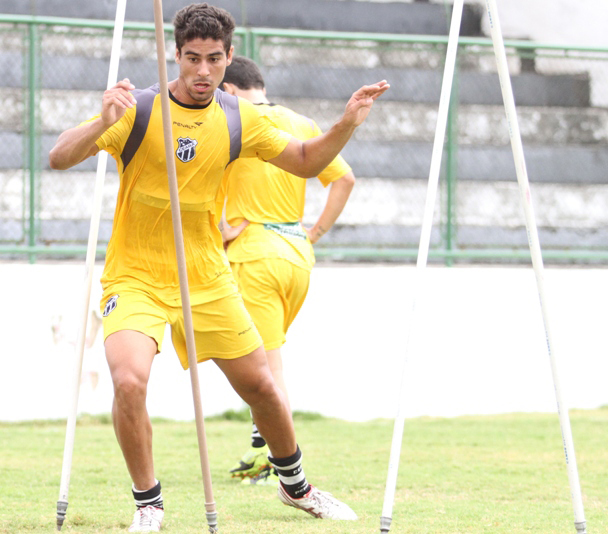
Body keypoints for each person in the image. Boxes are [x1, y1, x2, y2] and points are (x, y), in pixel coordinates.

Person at [48, 3, 388, 531]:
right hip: (134, 275)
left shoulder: (239, 118)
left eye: (213, 59)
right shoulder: (136, 108)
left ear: (229, 58)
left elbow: (305, 161)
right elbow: (59, 157)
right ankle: (148, 503)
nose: (202, 71)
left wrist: (346, 124)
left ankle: (296, 487)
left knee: (263, 388)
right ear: (176, 55)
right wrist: (103, 124)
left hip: (205, 276)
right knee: (130, 382)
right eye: (191, 58)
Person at [218, 56, 357, 486]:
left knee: (265, 369)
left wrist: (219, 227)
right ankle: (262, 448)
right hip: (296, 254)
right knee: (261, 362)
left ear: (233, 90)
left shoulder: (232, 121)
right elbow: (344, 179)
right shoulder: (301, 122)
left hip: (255, 254)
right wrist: (312, 232)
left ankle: (282, 468)